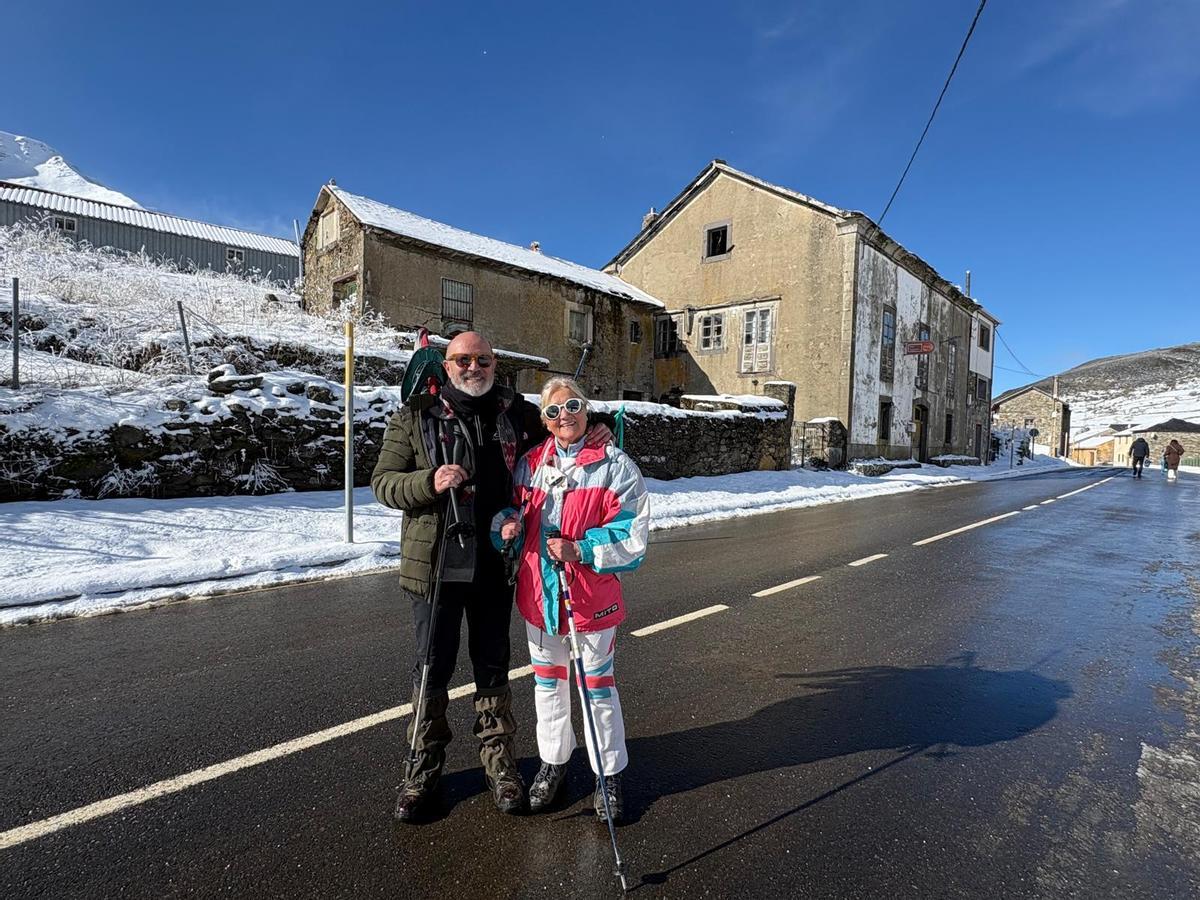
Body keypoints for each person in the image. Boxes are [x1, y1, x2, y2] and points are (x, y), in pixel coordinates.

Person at [371, 331, 547, 822]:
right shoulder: (414, 417)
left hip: (495, 561)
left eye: (483, 359)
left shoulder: (518, 415)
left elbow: (562, 436)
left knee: (492, 665)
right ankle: (422, 770)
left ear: (495, 364)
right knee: (433, 669)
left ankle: (499, 764)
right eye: (463, 359)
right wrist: (429, 481)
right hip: (437, 567)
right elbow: (383, 483)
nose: (474, 367)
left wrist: (594, 427)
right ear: (445, 366)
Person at [493, 376, 649, 823]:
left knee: (596, 691)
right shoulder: (529, 464)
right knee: (548, 688)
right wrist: (506, 526)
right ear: (544, 420)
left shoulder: (615, 466)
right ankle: (554, 763)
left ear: (587, 408)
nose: (565, 416)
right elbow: (509, 513)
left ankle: (609, 775)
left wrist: (580, 548)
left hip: (589, 602)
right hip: (540, 600)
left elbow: (633, 534)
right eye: (554, 410)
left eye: (573, 405)